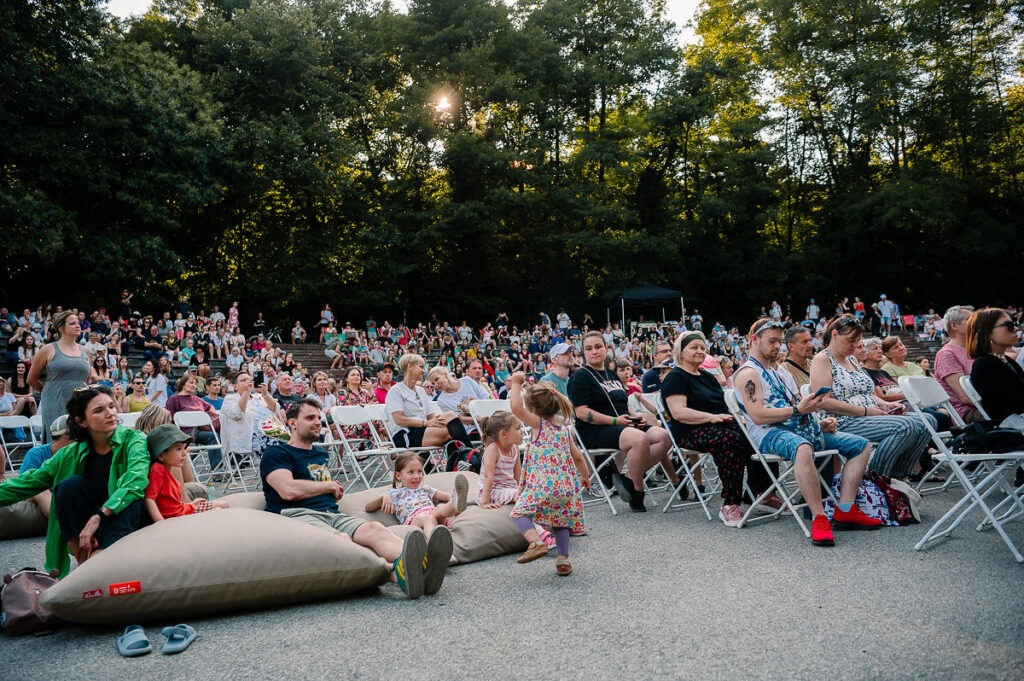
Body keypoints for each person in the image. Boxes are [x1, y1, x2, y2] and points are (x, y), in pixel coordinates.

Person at [261, 398, 451, 599]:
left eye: (318, 418)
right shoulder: (276, 453)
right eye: (310, 418)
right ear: (292, 423)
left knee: (375, 528)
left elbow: (315, 485)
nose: (317, 422)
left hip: (332, 514)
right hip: (298, 515)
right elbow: (288, 490)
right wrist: (328, 486)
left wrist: (332, 490)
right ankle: (393, 572)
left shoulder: (319, 454)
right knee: (342, 541)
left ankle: (424, 564)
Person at [733, 318, 881, 547]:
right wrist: (798, 410)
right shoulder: (748, 374)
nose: (777, 346)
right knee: (803, 448)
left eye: (779, 341)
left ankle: (845, 509)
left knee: (861, 445)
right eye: (772, 341)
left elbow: (799, 408)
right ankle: (819, 517)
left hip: (796, 428)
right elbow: (758, 416)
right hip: (769, 433)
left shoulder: (779, 373)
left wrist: (817, 422)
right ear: (754, 339)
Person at [0, 386, 148, 576]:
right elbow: (29, 481)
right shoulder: (71, 452)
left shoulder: (133, 439)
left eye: (111, 406)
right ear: (82, 421)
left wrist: (99, 516)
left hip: (125, 517)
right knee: (67, 487)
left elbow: (136, 479)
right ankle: (84, 559)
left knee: (129, 496)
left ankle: (92, 567)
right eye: (99, 410)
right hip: (87, 526)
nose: (110, 413)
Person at [660, 331, 779, 525]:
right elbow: (679, 412)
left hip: (719, 422)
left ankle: (764, 493)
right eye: (694, 347)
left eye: (702, 347)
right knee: (730, 440)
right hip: (690, 430)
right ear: (681, 352)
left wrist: (739, 417)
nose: (700, 351)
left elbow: (722, 405)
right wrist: (711, 417)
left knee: (757, 433)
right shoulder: (675, 377)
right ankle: (730, 503)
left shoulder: (707, 376)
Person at [567, 331, 679, 512]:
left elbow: (622, 405)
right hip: (595, 429)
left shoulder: (611, 376)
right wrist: (615, 421)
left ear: (606, 348)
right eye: (589, 348)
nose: (594, 351)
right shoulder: (580, 377)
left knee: (664, 436)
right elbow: (581, 413)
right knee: (638, 439)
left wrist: (635, 418)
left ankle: (627, 477)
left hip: (623, 424)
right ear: (583, 352)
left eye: (598, 346)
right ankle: (637, 491)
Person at [810, 315, 931, 478]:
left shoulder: (851, 359)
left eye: (858, 340)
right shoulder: (822, 359)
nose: (855, 345)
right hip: (842, 420)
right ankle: (877, 478)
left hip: (868, 414)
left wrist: (885, 405)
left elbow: (867, 392)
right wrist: (865, 411)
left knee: (927, 422)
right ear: (835, 335)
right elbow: (823, 401)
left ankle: (897, 476)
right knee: (906, 426)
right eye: (851, 340)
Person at [506, 373, 588, 576]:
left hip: (543, 485)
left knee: (518, 513)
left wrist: (515, 384)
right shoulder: (564, 429)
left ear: (533, 408)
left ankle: (536, 542)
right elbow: (578, 456)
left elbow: (515, 408)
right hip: (566, 487)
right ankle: (563, 559)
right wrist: (585, 476)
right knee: (560, 521)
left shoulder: (538, 424)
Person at [365, 451, 468, 539]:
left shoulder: (425, 488)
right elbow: (368, 507)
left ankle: (455, 504)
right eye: (411, 472)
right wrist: (383, 497)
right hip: (413, 520)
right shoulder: (393, 493)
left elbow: (445, 496)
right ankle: (434, 542)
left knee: (440, 507)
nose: (417, 476)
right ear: (398, 475)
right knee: (428, 518)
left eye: (419, 472)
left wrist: (454, 497)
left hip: (433, 514)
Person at [28, 310, 91, 442]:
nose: (78, 325)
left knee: (81, 438)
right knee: (57, 438)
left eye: (78, 323)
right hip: (54, 400)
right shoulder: (47, 349)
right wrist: (49, 391)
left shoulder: (86, 350)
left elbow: (87, 380)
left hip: (79, 401)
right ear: (61, 328)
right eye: (72, 323)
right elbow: (31, 379)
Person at [144, 424, 229, 522]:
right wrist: (161, 523)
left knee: (223, 504)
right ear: (161, 455)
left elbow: (171, 503)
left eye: (184, 448)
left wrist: (190, 504)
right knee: (219, 510)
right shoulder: (157, 470)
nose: (184, 453)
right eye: (178, 449)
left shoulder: (166, 470)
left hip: (183, 510)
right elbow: (149, 499)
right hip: (178, 516)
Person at [386, 354, 468, 449]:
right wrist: (425, 423)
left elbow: (431, 417)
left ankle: (465, 455)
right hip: (405, 433)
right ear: (410, 367)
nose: (424, 370)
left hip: (423, 429)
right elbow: (399, 420)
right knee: (451, 432)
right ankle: (470, 454)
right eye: (421, 367)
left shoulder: (420, 390)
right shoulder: (396, 390)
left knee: (451, 415)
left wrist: (440, 422)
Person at [967, 309, 1024, 423]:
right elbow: (1004, 406)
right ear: (987, 332)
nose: (1016, 329)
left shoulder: (1006, 360)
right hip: (1011, 424)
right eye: (1008, 325)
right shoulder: (984, 365)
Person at [933, 305, 984, 423]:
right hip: (968, 414)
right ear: (954, 325)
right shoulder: (947, 354)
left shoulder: (976, 351)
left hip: (983, 407)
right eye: (970, 320)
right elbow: (966, 396)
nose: (976, 323)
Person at [14, 416, 72, 516]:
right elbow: (25, 487)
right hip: (36, 496)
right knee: (38, 487)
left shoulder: (77, 454)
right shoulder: (36, 454)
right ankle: (59, 520)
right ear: (67, 435)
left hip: (63, 495)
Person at [221, 371, 280, 464]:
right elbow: (237, 414)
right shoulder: (230, 398)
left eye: (249, 380)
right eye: (243, 380)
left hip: (273, 430)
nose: (248, 382)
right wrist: (246, 392)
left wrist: (265, 394)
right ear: (235, 386)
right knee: (278, 447)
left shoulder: (258, 397)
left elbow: (275, 409)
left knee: (293, 442)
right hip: (252, 435)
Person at [167, 373, 222, 471]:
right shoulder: (174, 399)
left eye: (195, 383)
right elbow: (169, 419)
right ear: (183, 383)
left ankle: (234, 464)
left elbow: (210, 407)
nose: (194, 385)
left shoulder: (196, 399)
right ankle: (218, 470)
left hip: (202, 430)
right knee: (213, 436)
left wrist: (210, 416)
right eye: (191, 383)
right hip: (186, 433)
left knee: (227, 432)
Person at [477, 410, 523, 508]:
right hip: (493, 491)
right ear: (503, 434)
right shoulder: (493, 450)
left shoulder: (515, 448)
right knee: (522, 495)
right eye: (518, 428)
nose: (522, 431)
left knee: (531, 491)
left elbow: (518, 476)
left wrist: (524, 488)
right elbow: (488, 477)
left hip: (511, 489)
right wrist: (485, 502)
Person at [430, 365, 489, 437]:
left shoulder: (467, 381)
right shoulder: (442, 401)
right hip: (470, 430)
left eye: (437, 379)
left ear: (445, 374)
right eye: (433, 383)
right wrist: (484, 420)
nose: (436, 385)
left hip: (487, 423)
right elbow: (461, 419)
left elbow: (485, 400)